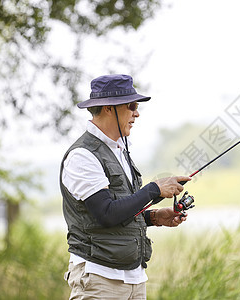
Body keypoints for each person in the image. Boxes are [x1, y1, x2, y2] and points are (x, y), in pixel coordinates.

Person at [60, 74, 191, 299]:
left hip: (135, 279)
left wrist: (155, 217)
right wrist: (154, 189)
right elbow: (107, 213)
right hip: (99, 279)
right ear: (109, 108)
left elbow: (123, 210)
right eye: (131, 106)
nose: (136, 113)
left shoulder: (120, 151)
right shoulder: (82, 156)